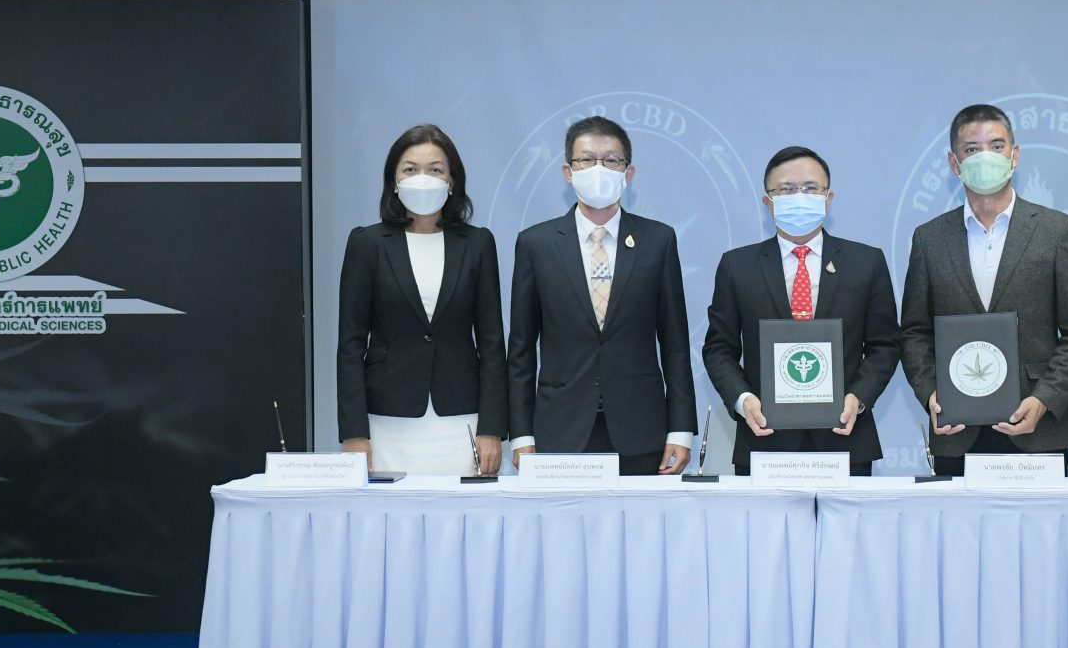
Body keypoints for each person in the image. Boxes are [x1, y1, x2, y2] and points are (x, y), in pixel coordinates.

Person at [899, 102, 1068, 472]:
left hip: (1037, 428)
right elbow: (914, 332)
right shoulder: (929, 239)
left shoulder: (1057, 231)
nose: (985, 157)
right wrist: (931, 394)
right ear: (954, 163)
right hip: (957, 430)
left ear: (1015, 155)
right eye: (971, 149)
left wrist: (1045, 399)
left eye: (996, 146)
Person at [506, 115, 697, 475]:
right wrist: (521, 435)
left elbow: (675, 343)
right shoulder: (536, 244)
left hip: (641, 430)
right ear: (568, 172)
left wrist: (681, 430)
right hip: (559, 429)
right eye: (586, 160)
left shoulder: (658, 241)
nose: (599, 169)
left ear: (628, 172)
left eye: (611, 160)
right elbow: (520, 350)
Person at [702, 145, 901, 475]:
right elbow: (718, 349)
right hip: (764, 439)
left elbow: (885, 345)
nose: (799, 197)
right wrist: (743, 400)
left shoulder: (866, 262)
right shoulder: (737, 266)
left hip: (845, 437)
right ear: (768, 202)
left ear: (828, 198)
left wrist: (858, 397)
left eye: (810, 188)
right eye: (785, 190)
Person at [335, 124, 507, 475]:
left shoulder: (478, 244)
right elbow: (350, 345)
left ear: (452, 181)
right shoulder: (367, 244)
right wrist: (354, 433)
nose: (423, 178)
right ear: (394, 180)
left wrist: (492, 428)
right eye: (411, 169)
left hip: (462, 419)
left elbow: (492, 343)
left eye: (435, 170)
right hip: (386, 421)